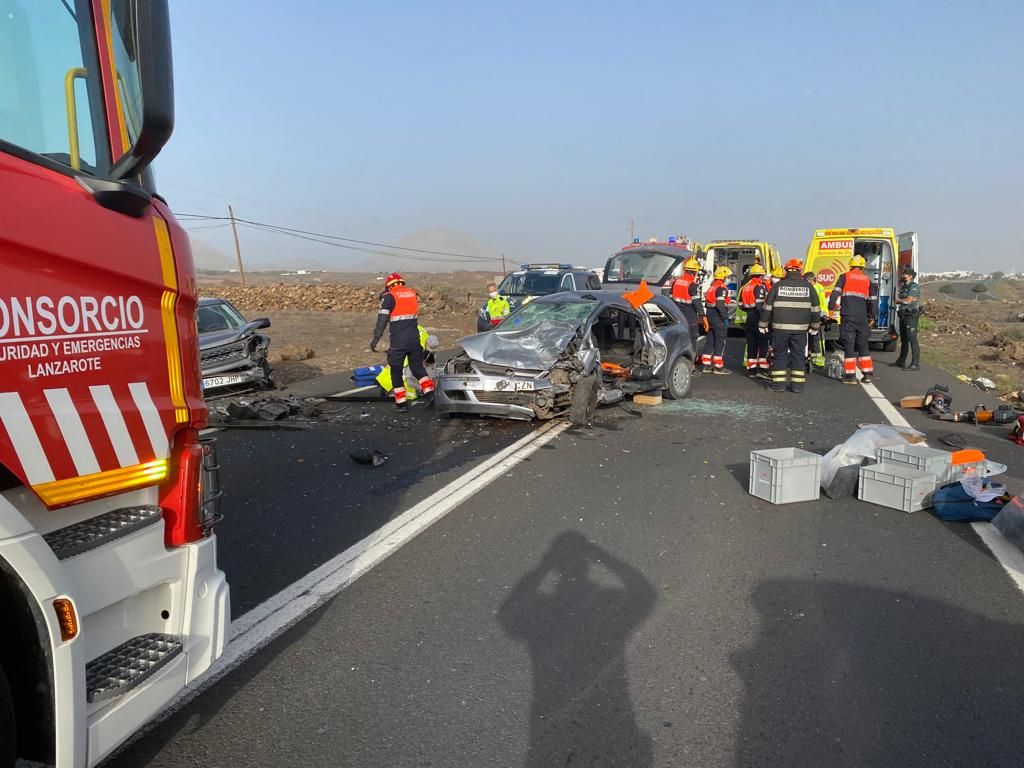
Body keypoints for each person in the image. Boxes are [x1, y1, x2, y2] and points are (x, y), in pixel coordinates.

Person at [370, 272, 435, 410]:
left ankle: (401, 404)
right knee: (418, 369)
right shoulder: (411, 294)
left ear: (389, 286)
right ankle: (431, 395)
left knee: (396, 371)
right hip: (414, 339)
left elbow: (382, 320)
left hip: (399, 341)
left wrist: (376, 339)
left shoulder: (389, 297)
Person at [759, 259, 820, 393]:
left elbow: (767, 307)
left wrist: (763, 324)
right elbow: (816, 309)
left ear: (786, 270)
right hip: (800, 330)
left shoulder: (778, 286)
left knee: (780, 355)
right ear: (800, 271)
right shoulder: (808, 287)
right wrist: (815, 327)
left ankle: (779, 385)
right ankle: (797, 386)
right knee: (798, 356)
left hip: (780, 329)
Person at [828, 255, 878, 385]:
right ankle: (866, 375)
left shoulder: (845, 277)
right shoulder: (868, 280)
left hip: (848, 316)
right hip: (862, 318)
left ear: (851, 265)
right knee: (863, 345)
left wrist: (831, 308)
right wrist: (872, 316)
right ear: (862, 267)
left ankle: (851, 377)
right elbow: (873, 301)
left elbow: (835, 293)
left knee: (849, 345)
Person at [375, 325, 440, 399]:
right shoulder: (420, 344)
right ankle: (393, 391)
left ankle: (385, 385)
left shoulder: (425, 335)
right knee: (404, 373)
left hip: (401, 342)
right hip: (404, 353)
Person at [668, 257, 707, 353]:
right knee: (693, 338)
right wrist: (703, 317)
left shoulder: (676, 282)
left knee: (679, 339)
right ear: (694, 272)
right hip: (690, 317)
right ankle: (691, 360)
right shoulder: (693, 285)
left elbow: (670, 298)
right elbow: (697, 303)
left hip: (677, 316)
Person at [699, 266, 733, 374]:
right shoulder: (721, 288)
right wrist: (725, 317)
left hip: (710, 314)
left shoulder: (711, 286)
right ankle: (718, 366)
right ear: (723, 277)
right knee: (720, 341)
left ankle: (706, 364)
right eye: (727, 276)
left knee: (710, 340)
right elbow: (720, 305)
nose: (728, 278)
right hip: (718, 316)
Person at [739, 264, 769, 377]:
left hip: (749, 317)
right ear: (760, 275)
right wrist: (765, 319)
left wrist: (749, 310)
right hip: (758, 317)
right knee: (763, 342)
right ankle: (762, 369)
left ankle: (751, 369)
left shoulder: (745, 287)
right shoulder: (759, 287)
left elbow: (740, 305)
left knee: (751, 344)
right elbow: (759, 306)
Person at [890, 265, 921, 370]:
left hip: (910, 315)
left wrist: (898, 300)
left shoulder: (914, 286)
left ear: (911, 276)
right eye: (903, 274)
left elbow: (908, 300)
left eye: (905, 274)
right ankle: (901, 360)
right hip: (903, 315)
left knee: (912, 339)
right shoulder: (905, 286)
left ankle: (915, 363)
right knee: (904, 339)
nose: (903, 275)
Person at [804, 271, 828, 367]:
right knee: (814, 338)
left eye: (806, 280)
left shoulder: (814, 288)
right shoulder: (819, 287)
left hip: (816, 315)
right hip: (818, 314)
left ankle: (818, 359)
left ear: (810, 280)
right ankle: (814, 357)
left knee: (816, 339)